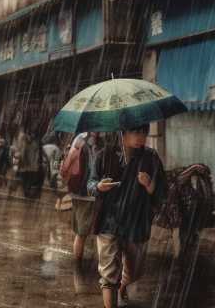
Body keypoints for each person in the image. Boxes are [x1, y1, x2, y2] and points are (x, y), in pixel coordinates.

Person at [88, 124, 165, 308]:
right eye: (136, 131)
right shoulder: (104, 155)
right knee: (108, 275)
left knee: (135, 272)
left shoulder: (151, 158)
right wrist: (98, 187)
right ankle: (114, 293)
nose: (141, 137)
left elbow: (162, 191)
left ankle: (123, 286)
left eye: (144, 132)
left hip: (136, 224)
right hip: (109, 223)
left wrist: (149, 186)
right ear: (123, 132)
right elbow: (90, 184)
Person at [62, 132, 104, 265]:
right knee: (88, 232)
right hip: (88, 193)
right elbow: (95, 168)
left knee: (81, 232)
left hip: (76, 189)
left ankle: (80, 265)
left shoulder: (78, 139)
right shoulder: (95, 143)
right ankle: (80, 267)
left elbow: (67, 165)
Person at [14, 128, 43, 199]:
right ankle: (27, 191)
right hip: (29, 165)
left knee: (26, 179)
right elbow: (23, 152)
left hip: (28, 165)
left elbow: (36, 154)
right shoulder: (33, 143)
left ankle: (27, 191)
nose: (31, 136)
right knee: (27, 179)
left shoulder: (30, 143)